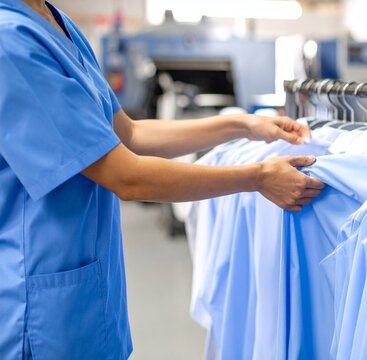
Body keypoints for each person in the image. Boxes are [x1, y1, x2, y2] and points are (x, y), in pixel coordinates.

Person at [0, 0, 324, 358]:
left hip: (85, 297)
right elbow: (127, 177)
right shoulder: (10, 41)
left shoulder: (58, 24)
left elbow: (131, 134)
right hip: (38, 309)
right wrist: (258, 177)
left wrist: (242, 126)